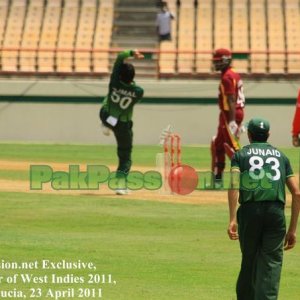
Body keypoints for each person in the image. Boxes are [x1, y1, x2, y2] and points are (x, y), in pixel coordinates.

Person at [227, 117, 300, 300]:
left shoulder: (240, 156)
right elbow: (297, 193)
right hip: (275, 214)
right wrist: (292, 229)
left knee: (249, 259)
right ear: (268, 135)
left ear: (249, 135)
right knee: (272, 263)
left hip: (250, 212)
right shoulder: (282, 157)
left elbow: (234, 185)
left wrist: (232, 218)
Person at [99, 49, 144, 195]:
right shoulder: (138, 91)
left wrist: (131, 53)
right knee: (125, 156)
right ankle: (120, 185)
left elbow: (119, 58)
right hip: (123, 126)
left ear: (119, 75)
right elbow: (132, 88)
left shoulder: (114, 82)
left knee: (107, 101)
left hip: (106, 116)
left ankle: (106, 124)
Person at [210, 48, 245, 187]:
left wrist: (231, 121)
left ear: (225, 60)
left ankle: (246, 177)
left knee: (232, 147)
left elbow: (231, 98)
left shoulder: (227, 77)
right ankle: (218, 179)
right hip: (228, 113)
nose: (216, 64)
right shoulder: (233, 73)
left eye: (218, 61)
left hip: (231, 113)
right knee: (218, 144)